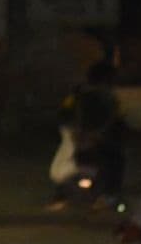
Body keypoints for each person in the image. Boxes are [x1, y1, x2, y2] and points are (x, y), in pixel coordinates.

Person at [53, 60, 125, 209]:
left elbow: (64, 115)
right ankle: (109, 195)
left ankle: (62, 195)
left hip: (80, 137)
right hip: (87, 138)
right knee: (115, 159)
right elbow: (110, 118)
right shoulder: (104, 96)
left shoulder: (78, 92)